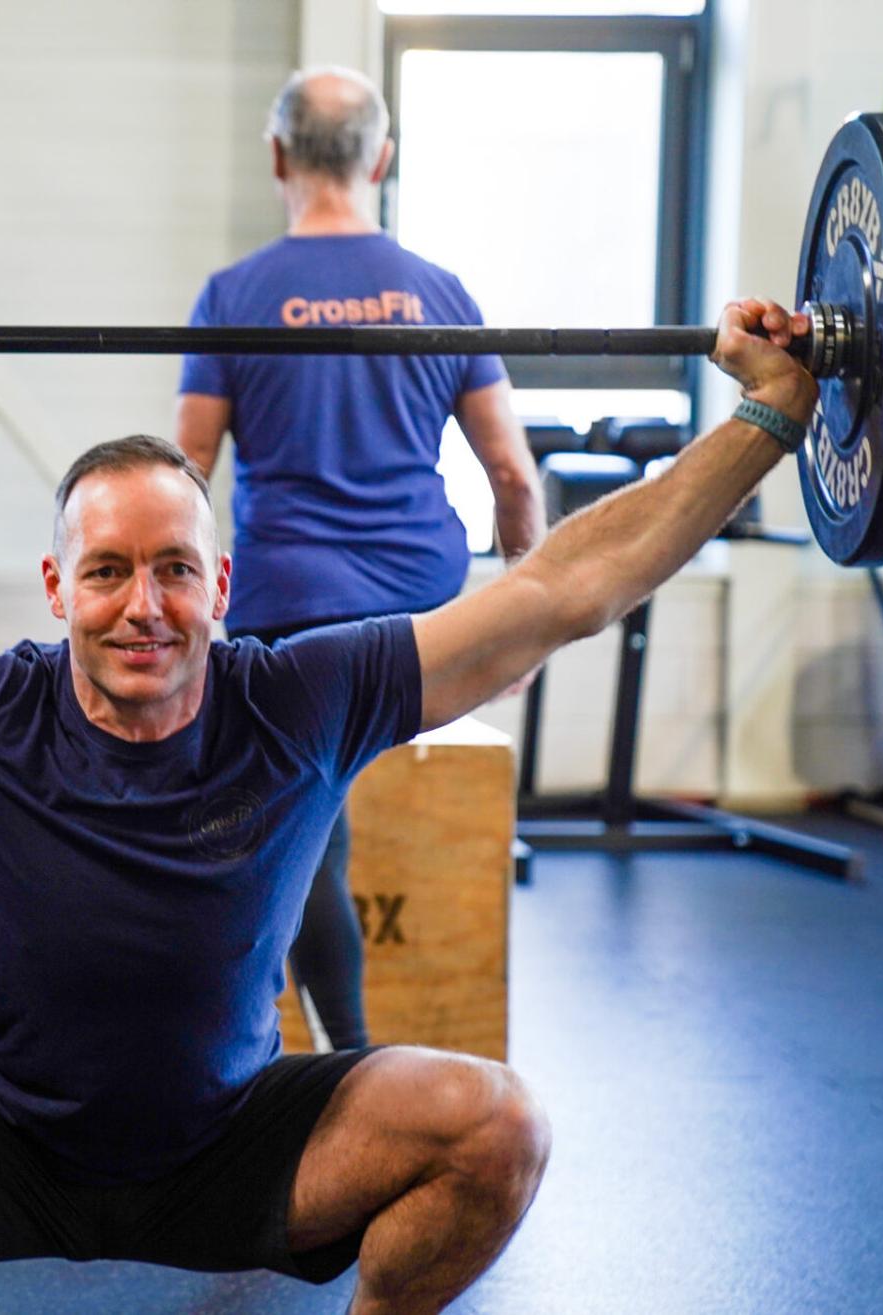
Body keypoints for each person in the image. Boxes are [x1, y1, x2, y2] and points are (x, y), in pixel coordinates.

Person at [0, 286, 816, 1315]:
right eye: (105, 570)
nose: (143, 605)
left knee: (498, 1122)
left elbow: (558, 592)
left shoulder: (304, 692)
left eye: (176, 569)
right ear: (56, 590)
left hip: (239, 1139)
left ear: (221, 589)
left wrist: (766, 418)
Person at [177, 66, 545, 1051]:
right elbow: (512, 476)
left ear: (277, 157)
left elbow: (184, 475)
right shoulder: (442, 291)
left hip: (289, 605)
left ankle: (347, 1062)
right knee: (318, 815)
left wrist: (183, 619)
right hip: (422, 610)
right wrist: (520, 625)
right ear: (382, 158)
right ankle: (344, 1059)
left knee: (308, 838)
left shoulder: (233, 295)